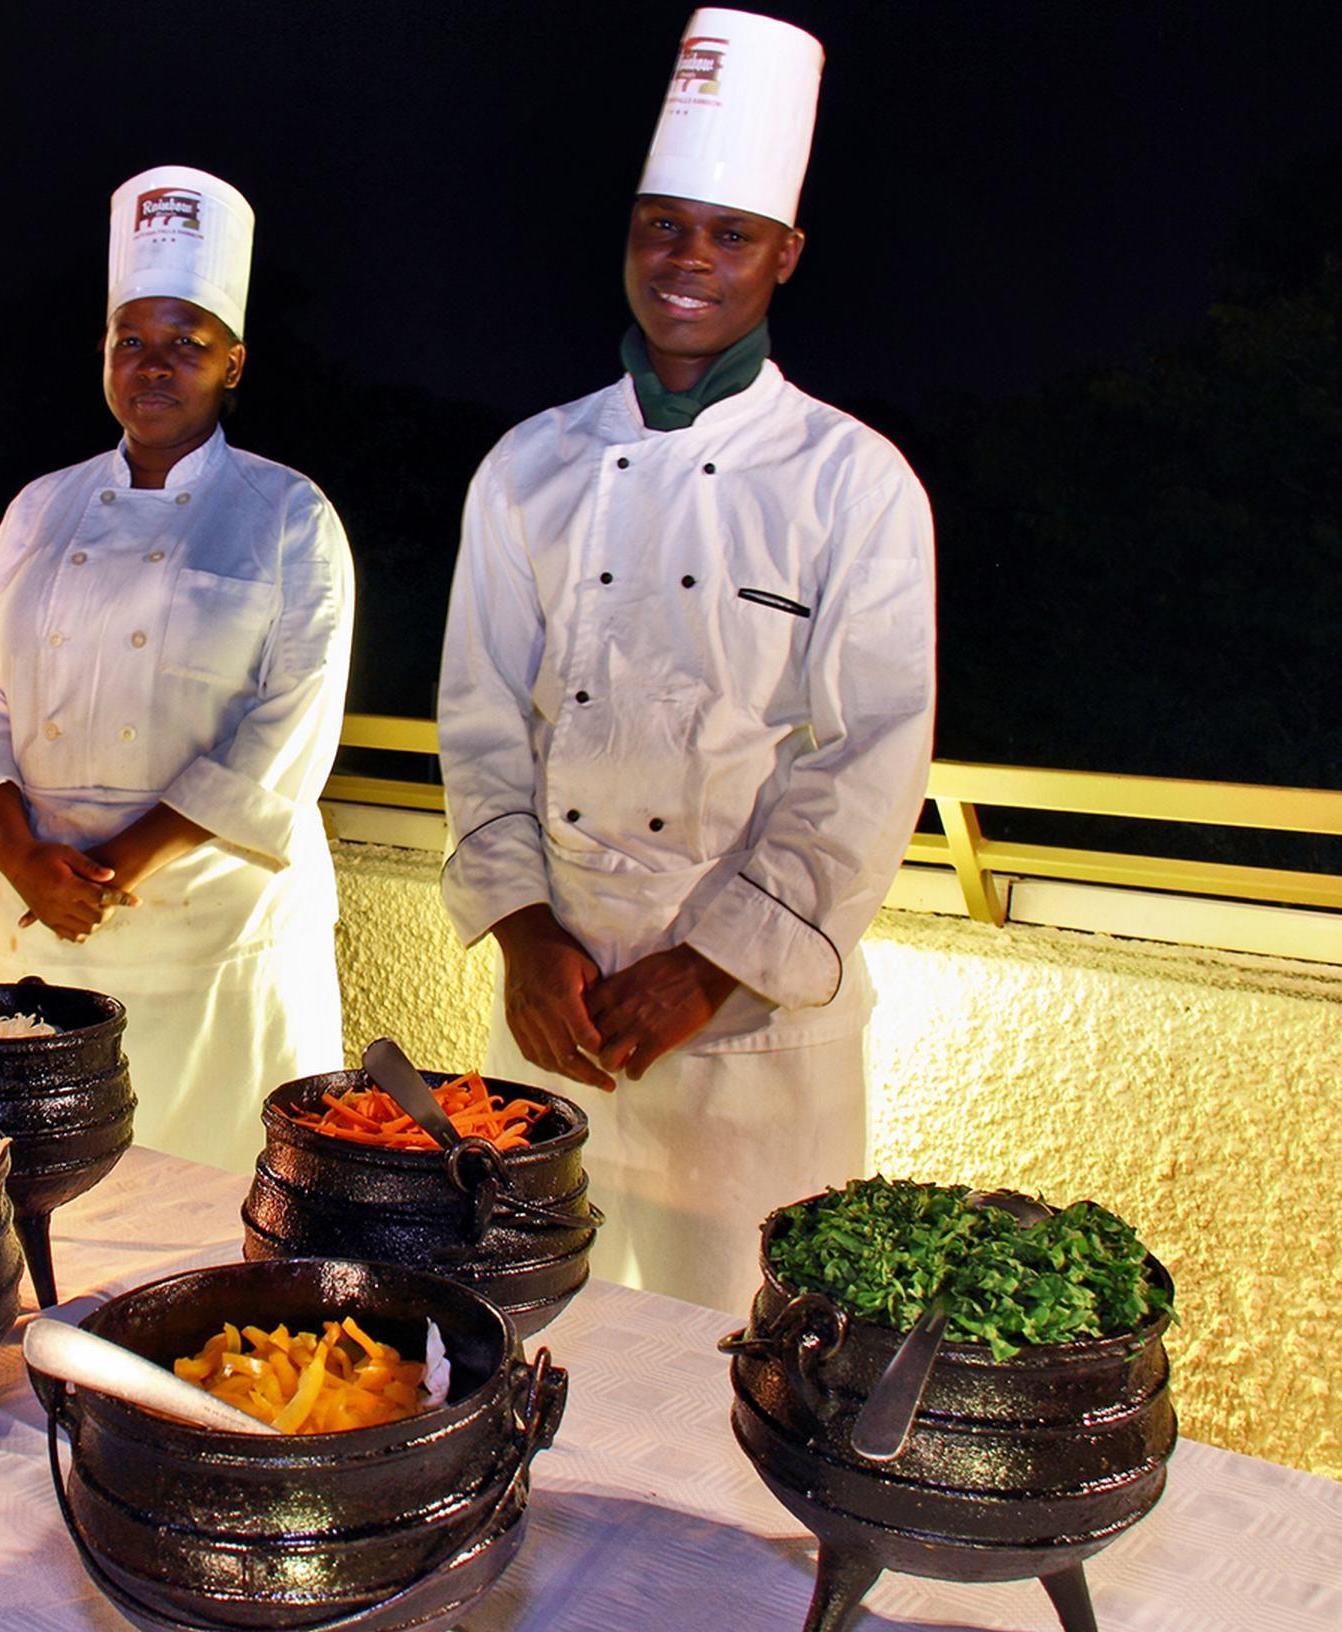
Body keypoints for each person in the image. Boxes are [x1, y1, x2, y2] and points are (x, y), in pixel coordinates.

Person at [436, 10, 937, 1314]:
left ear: (785, 255)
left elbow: (869, 759)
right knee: (538, 1339)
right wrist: (525, 938)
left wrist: (707, 966)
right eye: (664, 224)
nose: (687, 259)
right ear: (630, 236)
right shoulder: (527, 468)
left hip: (755, 1044)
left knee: (747, 1367)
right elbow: (483, 727)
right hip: (553, 1019)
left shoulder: (855, 482)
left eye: (728, 234)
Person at [0, 164, 356, 1176]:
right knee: (43, 1192)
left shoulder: (287, 514)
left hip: (212, 935)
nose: (153, 364)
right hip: (39, 921)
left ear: (234, 364)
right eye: (132, 340)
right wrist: (18, 854)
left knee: (218, 1212)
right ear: (104, 356)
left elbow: (286, 732)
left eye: (187, 343)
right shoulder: (40, 508)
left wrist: (111, 869)